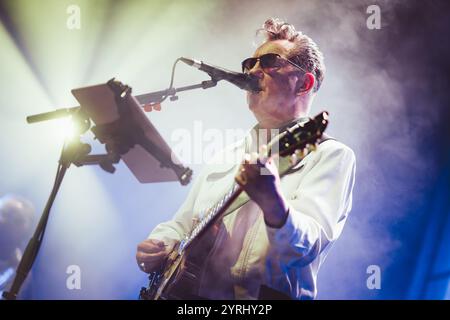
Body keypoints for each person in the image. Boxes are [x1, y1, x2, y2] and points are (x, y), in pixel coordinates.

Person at [136, 18, 356, 300]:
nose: (253, 70)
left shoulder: (331, 155)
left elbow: (306, 247)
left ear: (304, 83)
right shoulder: (226, 155)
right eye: (249, 64)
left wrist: (273, 202)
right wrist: (159, 243)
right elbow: (182, 224)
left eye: (269, 61)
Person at [0, 194, 35, 298]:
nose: (6, 222)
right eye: (4, 213)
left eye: (18, 221)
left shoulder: (20, 272)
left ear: (28, 231)